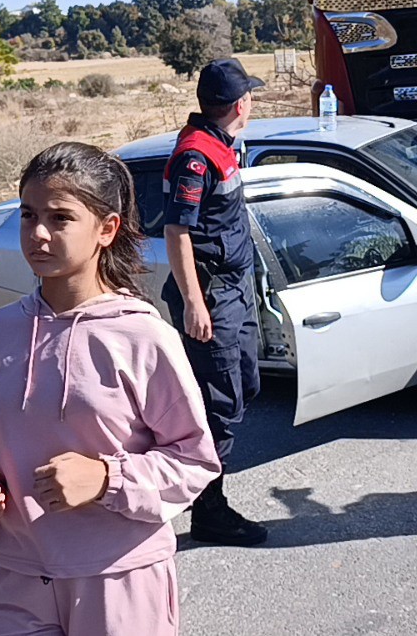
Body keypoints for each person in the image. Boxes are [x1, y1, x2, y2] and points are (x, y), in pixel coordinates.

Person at [0, 142, 219, 636]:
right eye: (28, 214)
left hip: (118, 576)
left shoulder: (142, 335)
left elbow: (194, 459)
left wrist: (105, 479)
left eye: (60, 218)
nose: (38, 233)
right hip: (11, 576)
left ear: (106, 229)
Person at [160, 58, 270, 546]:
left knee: (242, 387)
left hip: (233, 290)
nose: (252, 103)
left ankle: (201, 493)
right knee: (217, 406)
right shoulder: (196, 156)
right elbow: (177, 230)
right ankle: (208, 511)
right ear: (239, 104)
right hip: (211, 295)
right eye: (250, 96)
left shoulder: (223, 145)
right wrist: (194, 303)